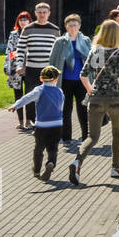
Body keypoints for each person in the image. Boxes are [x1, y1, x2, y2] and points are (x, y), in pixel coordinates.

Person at [73, 19, 119, 184]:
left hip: (96, 99)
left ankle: (77, 162)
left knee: (92, 137)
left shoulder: (96, 52)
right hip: (115, 99)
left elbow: (83, 75)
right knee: (117, 133)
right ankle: (116, 167)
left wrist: (90, 89)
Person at [8, 65, 65, 181]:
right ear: (56, 79)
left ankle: (37, 170)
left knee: (38, 149)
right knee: (53, 148)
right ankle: (51, 163)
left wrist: (16, 105)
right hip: (57, 125)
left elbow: (26, 98)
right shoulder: (59, 91)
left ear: (41, 79)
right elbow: (61, 106)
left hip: (42, 125)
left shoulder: (39, 90)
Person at [48, 14, 91, 144]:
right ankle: (66, 137)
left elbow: (91, 60)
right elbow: (52, 61)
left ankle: (85, 137)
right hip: (64, 80)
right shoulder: (60, 42)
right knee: (66, 109)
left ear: (79, 26)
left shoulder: (86, 40)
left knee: (83, 109)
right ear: (66, 27)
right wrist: (51, 81)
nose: (73, 27)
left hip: (82, 81)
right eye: (70, 25)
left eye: (75, 25)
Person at [18, 3, 60, 130]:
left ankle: (43, 120)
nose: (42, 15)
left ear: (49, 13)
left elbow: (58, 50)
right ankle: (30, 120)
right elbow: (20, 49)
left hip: (48, 69)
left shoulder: (55, 29)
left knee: (47, 95)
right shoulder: (28, 29)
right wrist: (20, 64)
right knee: (31, 94)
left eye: (44, 12)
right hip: (31, 68)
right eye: (39, 12)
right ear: (35, 13)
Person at [4, 11, 31, 129]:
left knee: (30, 95)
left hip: (30, 67)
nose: (23, 22)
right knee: (18, 95)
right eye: (21, 20)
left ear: (30, 21)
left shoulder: (32, 33)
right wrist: (7, 66)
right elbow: (9, 51)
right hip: (16, 68)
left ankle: (29, 121)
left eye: (25, 19)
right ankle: (20, 121)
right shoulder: (14, 34)